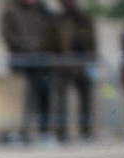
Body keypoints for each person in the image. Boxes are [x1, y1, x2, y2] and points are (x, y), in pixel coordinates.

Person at [0, 0, 55, 141]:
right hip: (22, 63)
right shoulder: (10, 11)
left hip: (41, 62)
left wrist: (42, 50)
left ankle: (44, 132)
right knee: (24, 100)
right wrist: (29, 49)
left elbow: (51, 32)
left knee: (44, 96)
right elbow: (8, 35)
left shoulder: (42, 11)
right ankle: (24, 132)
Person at [53, 0, 96, 142]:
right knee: (61, 101)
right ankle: (61, 134)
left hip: (82, 65)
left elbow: (92, 44)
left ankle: (86, 132)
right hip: (63, 66)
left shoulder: (85, 20)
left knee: (86, 100)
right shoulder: (56, 21)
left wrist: (90, 62)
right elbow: (50, 44)